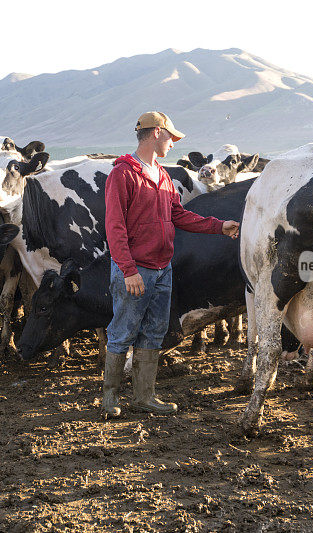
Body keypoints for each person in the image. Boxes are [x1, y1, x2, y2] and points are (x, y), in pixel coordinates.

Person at [102, 111, 240, 418]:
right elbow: (114, 226)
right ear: (156, 133)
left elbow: (179, 216)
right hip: (136, 270)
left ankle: (144, 397)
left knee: (154, 332)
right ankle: (110, 399)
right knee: (123, 331)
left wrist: (220, 226)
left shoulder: (162, 175)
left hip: (163, 268)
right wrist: (128, 270)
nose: (174, 144)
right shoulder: (122, 174)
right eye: (171, 137)